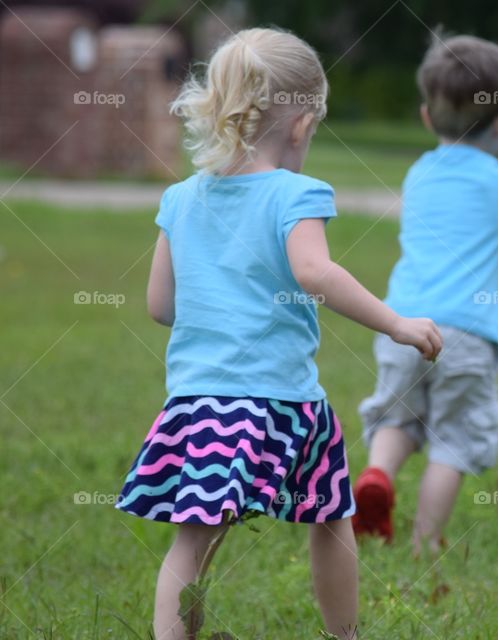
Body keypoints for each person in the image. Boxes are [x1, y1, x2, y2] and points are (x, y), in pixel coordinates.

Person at [114, 27, 442, 640]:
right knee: (330, 515)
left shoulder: (180, 199)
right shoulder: (297, 194)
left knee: (194, 541)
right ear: (300, 124)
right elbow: (314, 272)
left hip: (199, 401)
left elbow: (161, 306)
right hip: (283, 403)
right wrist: (395, 322)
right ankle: (343, 635)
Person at [353, 33, 498, 556]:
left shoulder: (418, 174)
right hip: (467, 334)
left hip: (400, 324)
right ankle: (425, 543)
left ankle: (378, 473)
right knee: (454, 439)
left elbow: (448, 256)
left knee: (397, 416)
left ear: (427, 117)